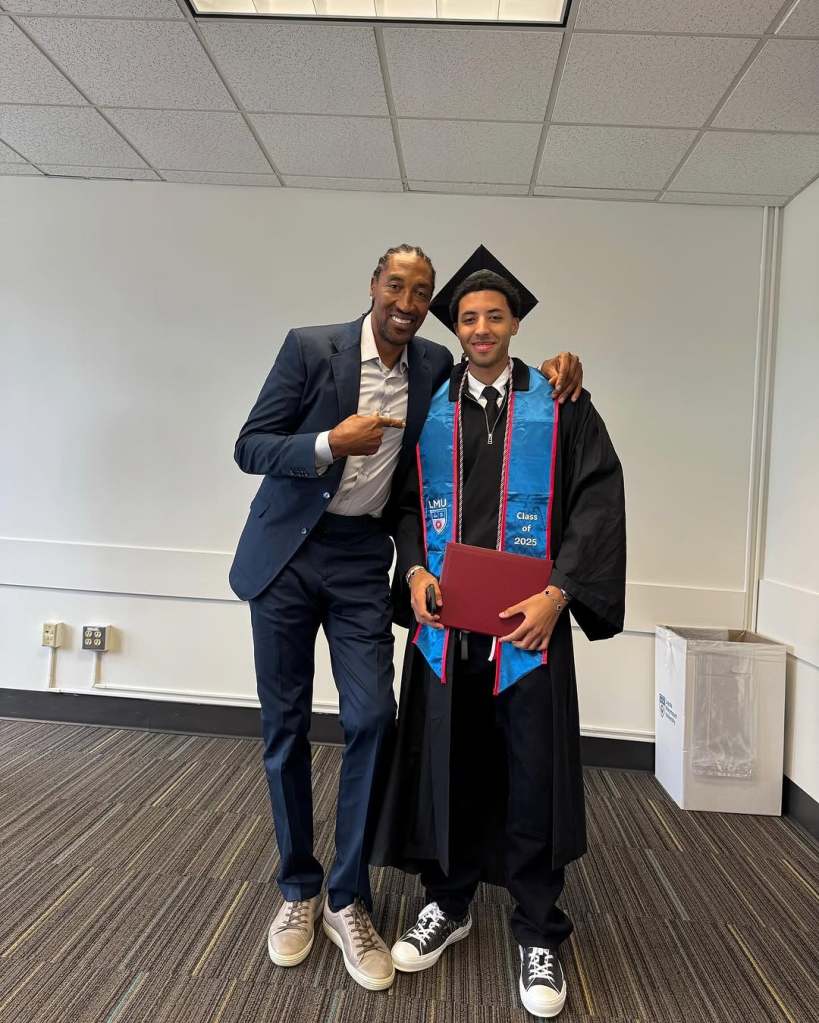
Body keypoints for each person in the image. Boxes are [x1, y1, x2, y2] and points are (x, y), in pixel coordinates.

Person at [229, 243, 585, 991]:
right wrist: (331, 445)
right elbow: (251, 446)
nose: (409, 300)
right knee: (284, 727)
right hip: (291, 558)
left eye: (423, 292)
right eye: (399, 285)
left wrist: (561, 369)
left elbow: (571, 485)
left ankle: (349, 897)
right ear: (374, 287)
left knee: (372, 719)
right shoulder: (316, 350)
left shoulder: (456, 377)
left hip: (368, 563)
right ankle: (301, 888)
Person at [371, 248, 626, 1018]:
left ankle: (538, 927)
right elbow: (405, 505)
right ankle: (446, 901)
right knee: (448, 761)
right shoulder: (430, 402)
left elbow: (595, 503)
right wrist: (413, 573)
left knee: (530, 770)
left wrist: (559, 593)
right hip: (446, 628)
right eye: (469, 317)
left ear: (515, 323)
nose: (481, 328)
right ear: (455, 327)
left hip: (529, 628)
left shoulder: (562, 399)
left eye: (495, 316)